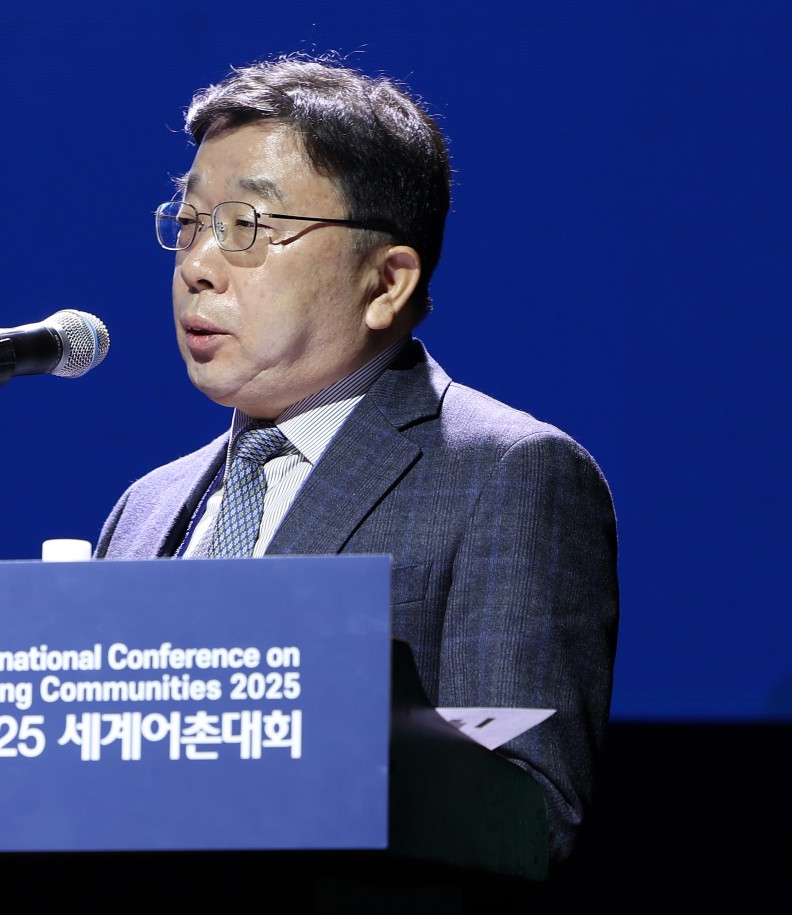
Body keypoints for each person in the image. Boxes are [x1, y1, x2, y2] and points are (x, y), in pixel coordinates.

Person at [95, 52, 618, 871]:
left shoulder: (506, 475)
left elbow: (528, 817)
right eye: (189, 222)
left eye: (246, 226)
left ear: (386, 283)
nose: (197, 265)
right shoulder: (148, 508)